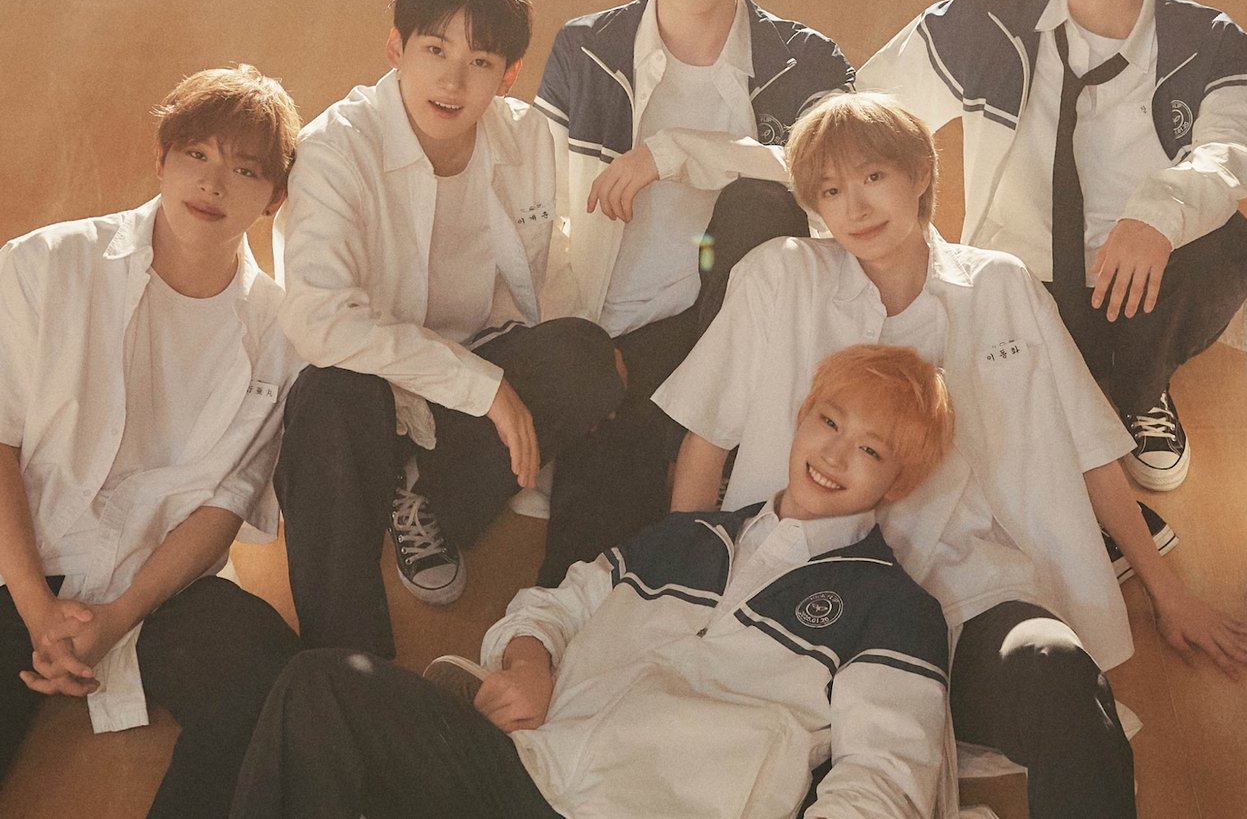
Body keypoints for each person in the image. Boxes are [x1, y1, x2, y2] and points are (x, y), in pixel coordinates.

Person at [659, 91, 1247, 819]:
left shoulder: (1000, 284)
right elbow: (706, 437)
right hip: (800, 603)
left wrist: (1169, 595)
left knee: (1056, 669)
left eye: (873, 177)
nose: (854, 207)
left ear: (920, 173)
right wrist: (675, 594)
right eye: (830, 190)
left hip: (965, 598)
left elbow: (1089, 446)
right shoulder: (779, 275)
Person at [233, 344, 955, 819]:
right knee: (321, 686)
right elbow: (552, 606)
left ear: (900, 481)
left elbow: (884, 781)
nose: (835, 454)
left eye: (870, 450)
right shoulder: (684, 538)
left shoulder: (895, 609)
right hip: (523, 775)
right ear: (800, 420)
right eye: (828, 422)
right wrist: (528, 662)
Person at [858, 0, 1247, 492]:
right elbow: (867, 114)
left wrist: (1157, 214)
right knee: (989, 449)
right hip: (1020, 278)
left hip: (1138, 276)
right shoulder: (988, 19)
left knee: (1229, 248)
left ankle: (1139, 392)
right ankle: (1071, 398)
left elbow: (1232, 152)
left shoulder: (1209, 41)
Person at [272, 0, 625, 657]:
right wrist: (482, 387)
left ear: (509, 75)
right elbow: (318, 319)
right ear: (395, 47)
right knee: (327, 396)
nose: (453, 81)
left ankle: (425, 497)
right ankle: (348, 669)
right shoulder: (336, 146)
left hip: (468, 389)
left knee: (586, 357)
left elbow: (546, 275)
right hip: (367, 386)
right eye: (435, 50)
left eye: (480, 61)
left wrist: (583, 372)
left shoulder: (529, 138)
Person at [528, 0, 854, 585]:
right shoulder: (588, 49)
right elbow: (537, 202)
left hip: (739, 337)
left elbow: (836, 174)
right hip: (624, 334)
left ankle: (714, 443)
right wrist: (570, 345)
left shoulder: (804, 58)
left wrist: (674, 151)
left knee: (758, 202)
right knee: (585, 557)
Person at [0, 66, 305, 816]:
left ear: (274, 198)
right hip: (21, 560)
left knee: (271, 686)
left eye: (244, 169)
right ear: (161, 158)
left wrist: (118, 616)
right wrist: (37, 607)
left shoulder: (282, 331)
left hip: (161, 583)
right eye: (196, 153)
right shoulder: (44, 263)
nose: (212, 183)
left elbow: (222, 508)